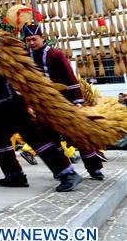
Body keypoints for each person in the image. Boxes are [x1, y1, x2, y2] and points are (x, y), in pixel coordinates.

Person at [0, 54, 82, 191]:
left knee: (34, 137)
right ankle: (14, 175)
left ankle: (68, 173)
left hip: (12, 102)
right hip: (0, 105)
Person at [22, 23, 104, 180]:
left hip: (64, 102)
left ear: (42, 38)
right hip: (43, 105)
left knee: (77, 135)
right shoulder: (26, 57)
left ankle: (95, 169)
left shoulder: (55, 54)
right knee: (49, 137)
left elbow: (71, 78)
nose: (31, 43)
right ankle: (64, 170)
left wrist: (77, 101)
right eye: (28, 40)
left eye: (34, 39)